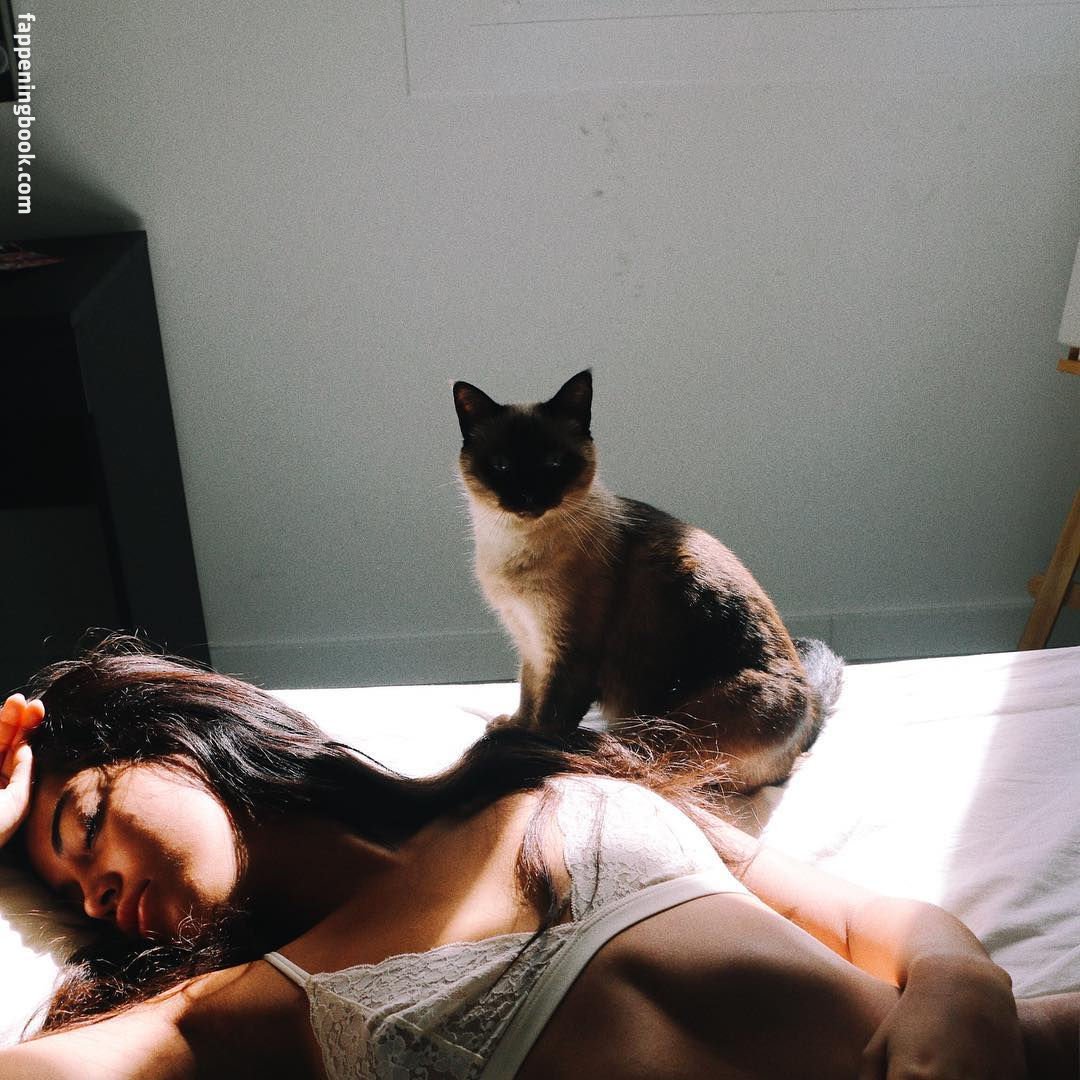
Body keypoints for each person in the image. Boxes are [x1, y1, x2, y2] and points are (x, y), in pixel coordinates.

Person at [0, 636, 1073, 1079]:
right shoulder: (232, 1011)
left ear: (174, 737)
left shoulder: (535, 775)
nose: (100, 891)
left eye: (84, 825)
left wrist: (961, 982)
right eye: (78, 895)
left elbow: (864, 923)